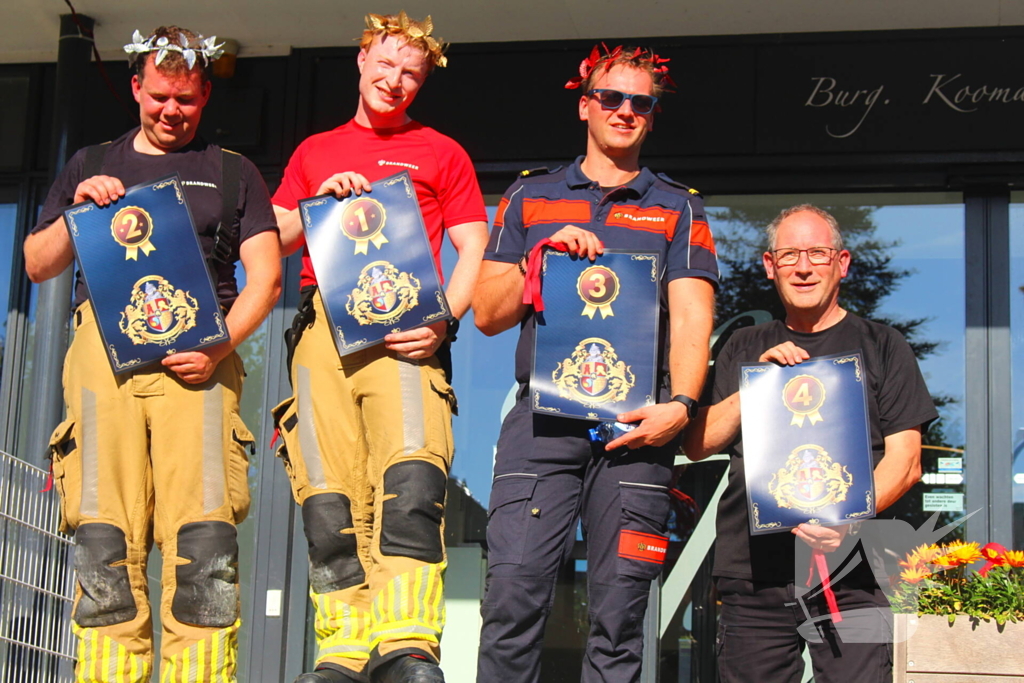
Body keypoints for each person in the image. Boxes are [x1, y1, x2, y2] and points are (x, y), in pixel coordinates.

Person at [23, 26, 281, 682]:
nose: (173, 111)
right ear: (137, 87)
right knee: (104, 536)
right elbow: (35, 263)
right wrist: (75, 210)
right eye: (161, 96)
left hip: (198, 363)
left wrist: (220, 342)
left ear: (205, 97)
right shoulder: (90, 162)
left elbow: (267, 276)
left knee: (203, 542)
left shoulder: (233, 171)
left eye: (188, 100)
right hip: (101, 359)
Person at [473, 45, 719, 683]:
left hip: (637, 431)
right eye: (611, 97)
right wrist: (540, 261)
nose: (625, 111)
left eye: (642, 102)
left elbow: (693, 316)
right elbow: (486, 314)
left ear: (652, 115)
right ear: (585, 105)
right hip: (540, 426)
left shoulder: (678, 205)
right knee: (512, 601)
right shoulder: (531, 195)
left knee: (620, 615)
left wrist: (682, 407)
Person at [270, 12, 488, 683]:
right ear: (362, 61)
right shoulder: (314, 150)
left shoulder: (442, 152)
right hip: (321, 333)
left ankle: (407, 644)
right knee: (329, 494)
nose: (395, 82)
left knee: (410, 481)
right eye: (387, 65)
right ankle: (342, 650)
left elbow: (474, 245)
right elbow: (276, 236)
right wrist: (314, 200)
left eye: (411, 75)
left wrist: (446, 318)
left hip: (405, 330)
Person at [683, 204, 938, 683]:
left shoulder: (883, 345)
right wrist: (756, 387)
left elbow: (906, 462)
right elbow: (697, 443)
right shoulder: (743, 347)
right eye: (790, 254)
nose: (803, 267)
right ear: (769, 265)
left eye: (817, 254)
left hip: (853, 571)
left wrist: (846, 519)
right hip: (752, 570)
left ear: (841, 263)